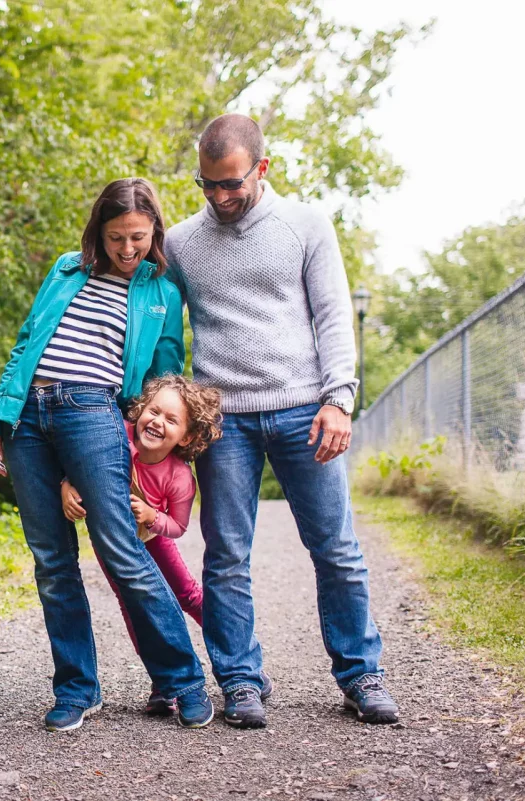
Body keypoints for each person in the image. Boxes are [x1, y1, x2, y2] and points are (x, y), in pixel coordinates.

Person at [164, 113, 399, 729]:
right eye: (207, 184)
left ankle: (360, 673)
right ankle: (240, 680)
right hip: (224, 422)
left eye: (232, 184)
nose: (220, 197)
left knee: (337, 548)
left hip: (304, 410)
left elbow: (332, 315)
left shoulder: (306, 224)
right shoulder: (183, 242)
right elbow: (160, 323)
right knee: (225, 555)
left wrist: (339, 399)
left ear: (261, 169)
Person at [0, 178, 214, 732]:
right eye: (115, 238)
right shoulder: (68, 267)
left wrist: (144, 448)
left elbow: (160, 378)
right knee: (52, 562)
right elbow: (26, 341)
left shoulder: (161, 291)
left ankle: (184, 680)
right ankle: (77, 689)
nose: (127, 249)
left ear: (154, 231)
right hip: (28, 417)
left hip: (93, 413)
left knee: (122, 552)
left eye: (137, 237)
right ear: (98, 232)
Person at [59, 375, 230, 716]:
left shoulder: (179, 477)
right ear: (139, 410)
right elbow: (83, 461)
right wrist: (67, 484)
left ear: (188, 435)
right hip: (112, 542)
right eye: (154, 411)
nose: (157, 422)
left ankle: (234, 657)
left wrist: (153, 516)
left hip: (154, 542)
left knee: (187, 595)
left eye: (171, 420)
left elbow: (177, 526)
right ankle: (162, 681)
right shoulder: (117, 434)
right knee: (133, 606)